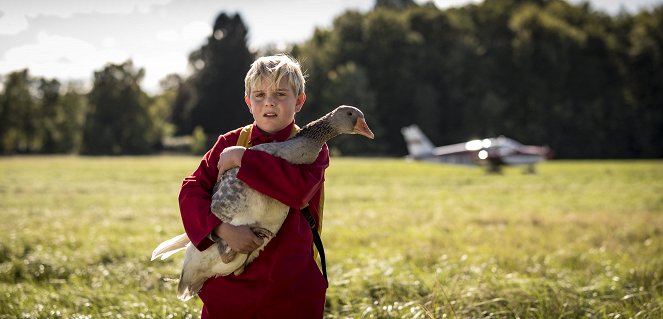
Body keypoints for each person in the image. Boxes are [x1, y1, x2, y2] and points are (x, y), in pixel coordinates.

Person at [178, 54, 328, 318]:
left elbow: (298, 193)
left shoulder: (313, 147)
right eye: (259, 94)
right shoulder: (230, 141)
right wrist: (221, 230)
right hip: (231, 289)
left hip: (290, 288)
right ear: (248, 102)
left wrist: (245, 159)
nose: (269, 101)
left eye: (280, 94)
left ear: (300, 101)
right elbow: (192, 189)